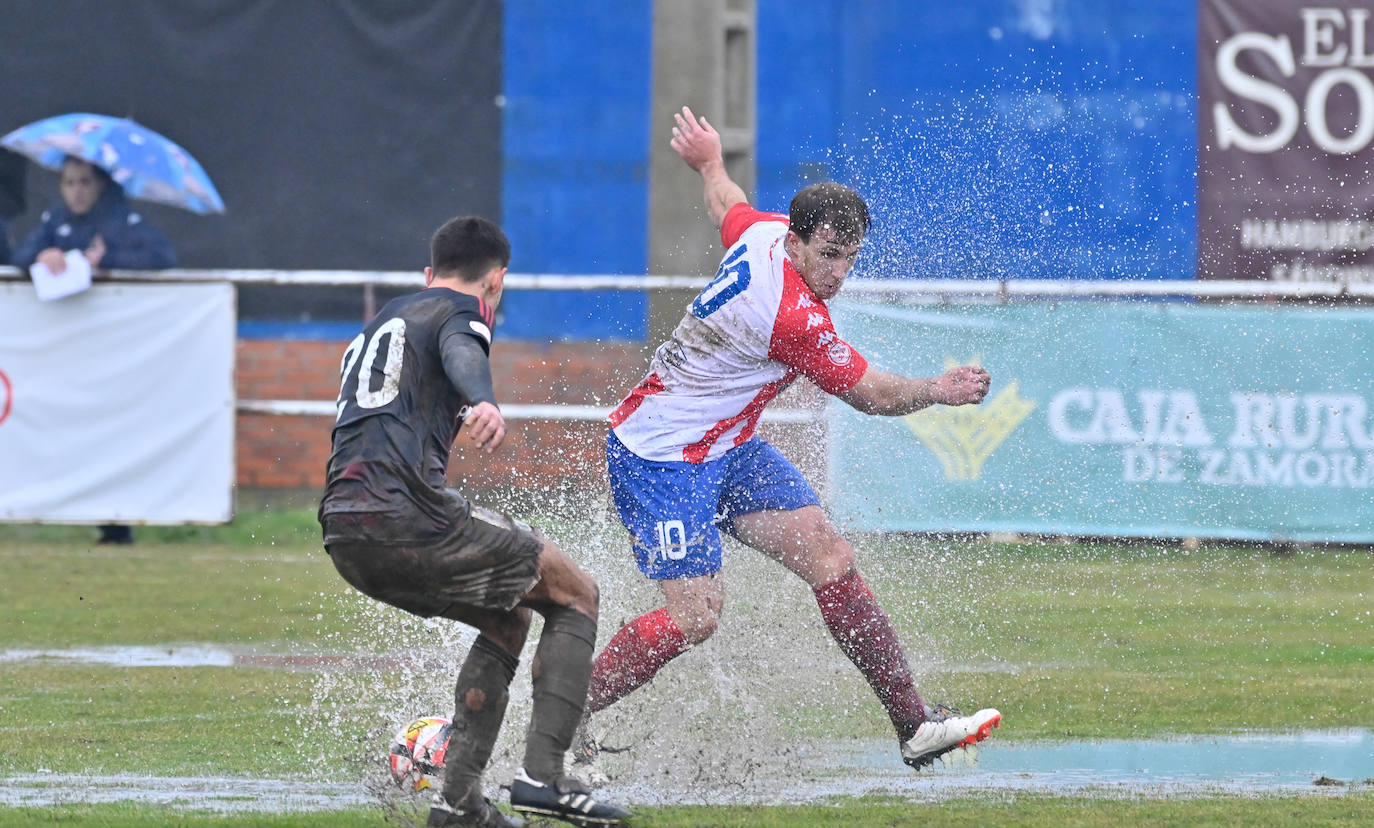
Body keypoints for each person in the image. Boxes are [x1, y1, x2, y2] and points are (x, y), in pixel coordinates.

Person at [580, 106, 1002, 772]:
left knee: (831, 557)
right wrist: (939, 389)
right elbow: (873, 395)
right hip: (662, 458)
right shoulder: (791, 315)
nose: (839, 272)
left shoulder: (765, 232)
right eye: (830, 256)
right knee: (696, 616)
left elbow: (729, 204)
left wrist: (710, 163)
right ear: (800, 243)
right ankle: (561, 714)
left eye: (851, 258)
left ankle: (916, 727)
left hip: (727, 448)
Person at [317, 215, 631, 828]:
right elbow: (465, 348)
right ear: (497, 282)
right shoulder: (461, 313)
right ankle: (545, 776)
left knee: (509, 618)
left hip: (344, 532)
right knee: (576, 593)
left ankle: (458, 802)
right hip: (407, 516)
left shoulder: (386, 321)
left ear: (428, 274)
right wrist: (482, 397)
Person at [13, 155, 178, 546]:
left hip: (113, 348)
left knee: (111, 428)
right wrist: (42, 256)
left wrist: (109, 263)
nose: (77, 191)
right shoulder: (54, 221)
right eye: (69, 182)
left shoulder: (122, 222)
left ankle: (116, 523)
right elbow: (19, 258)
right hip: (65, 348)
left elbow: (162, 259)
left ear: (101, 184)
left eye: (84, 181)